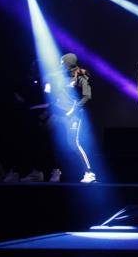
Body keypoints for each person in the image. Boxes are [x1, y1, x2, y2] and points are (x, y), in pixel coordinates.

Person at [54, 53, 97, 183]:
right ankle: (56, 171)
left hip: (74, 115)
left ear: (68, 63)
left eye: (63, 62)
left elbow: (87, 96)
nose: (61, 65)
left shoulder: (80, 76)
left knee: (73, 143)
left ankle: (89, 173)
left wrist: (74, 109)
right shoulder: (61, 76)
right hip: (61, 114)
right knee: (59, 142)